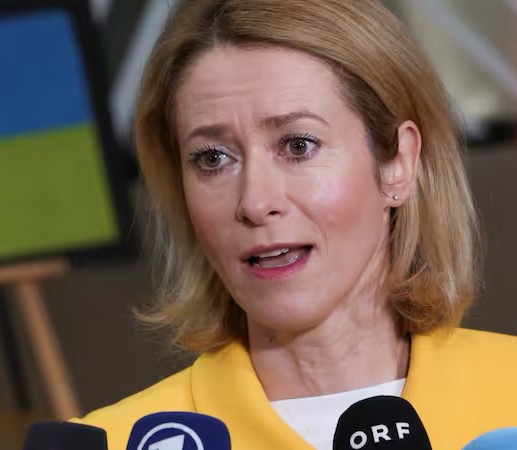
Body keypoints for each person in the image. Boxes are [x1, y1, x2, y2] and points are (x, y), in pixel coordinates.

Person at [73, 0, 517, 449]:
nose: (255, 202)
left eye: (298, 146)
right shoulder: (111, 441)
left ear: (398, 163)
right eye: (213, 158)